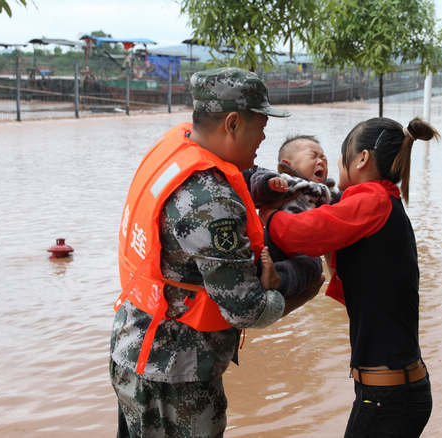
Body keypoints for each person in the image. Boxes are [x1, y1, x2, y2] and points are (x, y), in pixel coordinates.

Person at [110, 67, 323, 438]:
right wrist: (305, 275)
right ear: (232, 123)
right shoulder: (212, 201)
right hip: (174, 378)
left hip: (135, 349)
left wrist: (264, 190)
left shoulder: (177, 148)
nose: (264, 136)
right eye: (261, 125)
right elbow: (248, 308)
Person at [263, 116, 439, 437]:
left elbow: (301, 233)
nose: (332, 164)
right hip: (393, 391)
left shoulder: (372, 201)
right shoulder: (380, 202)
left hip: (389, 396)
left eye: (340, 156)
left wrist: (265, 215)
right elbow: (328, 223)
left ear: (361, 158)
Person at [244, 135, 339, 297]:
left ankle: (276, 278)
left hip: (301, 252)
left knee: (314, 267)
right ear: (287, 165)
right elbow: (256, 184)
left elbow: (344, 205)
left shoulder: (327, 192)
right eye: (313, 156)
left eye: (324, 158)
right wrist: (269, 184)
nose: (321, 161)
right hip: (272, 244)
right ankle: (269, 271)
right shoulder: (284, 182)